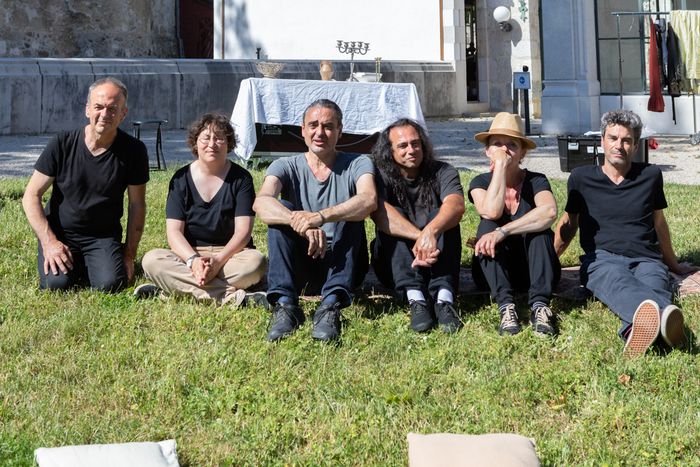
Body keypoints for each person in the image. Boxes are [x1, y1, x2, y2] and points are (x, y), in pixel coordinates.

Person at [554, 109, 697, 357]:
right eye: (613, 138)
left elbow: (659, 223)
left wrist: (672, 263)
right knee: (617, 280)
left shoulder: (650, 175)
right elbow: (568, 224)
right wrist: (548, 262)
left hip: (647, 259)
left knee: (655, 283)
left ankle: (634, 332)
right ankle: (669, 324)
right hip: (602, 259)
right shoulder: (581, 178)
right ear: (602, 141)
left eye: (626, 140)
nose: (619, 145)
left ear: (634, 145)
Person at [253, 99, 376, 342]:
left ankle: (330, 307)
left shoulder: (358, 162)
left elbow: (369, 199)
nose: (320, 132)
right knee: (282, 209)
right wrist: (300, 223)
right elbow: (261, 203)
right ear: (303, 130)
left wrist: (320, 217)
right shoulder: (285, 165)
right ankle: (286, 307)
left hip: (345, 263)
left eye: (328, 126)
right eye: (313, 125)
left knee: (350, 211)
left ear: (339, 132)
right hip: (301, 265)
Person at [22, 77, 148, 292]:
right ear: (87, 109)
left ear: (123, 114)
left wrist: (129, 254)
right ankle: (78, 265)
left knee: (111, 285)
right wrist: (49, 242)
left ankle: (93, 263)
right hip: (60, 233)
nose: (104, 114)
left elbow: (137, 204)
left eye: (112, 109)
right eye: (98, 107)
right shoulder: (62, 143)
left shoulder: (134, 150)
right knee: (57, 285)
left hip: (102, 236)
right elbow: (31, 196)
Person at [138, 113, 266, 305]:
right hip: (189, 256)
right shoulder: (180, 179)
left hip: (231, 255)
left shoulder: (242, 179)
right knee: (151, 260)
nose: (212, 144)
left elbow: (243, 232)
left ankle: (171, 290)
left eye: (219, 138)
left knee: (256, 263)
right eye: (206, 138)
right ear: (195, 142)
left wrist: (218, 262)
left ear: (228, 143)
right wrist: (193, 261)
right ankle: (231, 297)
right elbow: (174, 233)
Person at [468, 112, 560, 336]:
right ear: (487, 151)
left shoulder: (536, 180)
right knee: (486, 228)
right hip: (496, 271)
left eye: (511, 145)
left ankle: (540, 307)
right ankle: (506, 307)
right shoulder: (479, 182)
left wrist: (504, 230)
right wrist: (499, 167)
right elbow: (491, 210)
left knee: (541, 232)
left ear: (522, 153)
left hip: (534, 269)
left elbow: (549, 212)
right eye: (497, 145)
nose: (504, 150)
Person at [370, 118, 465, 333]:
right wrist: (421, 237)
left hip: (436, 260)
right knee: (396, 217)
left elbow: (457, 205)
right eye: (402, 146)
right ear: (390, 151)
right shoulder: (379, 176)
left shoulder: (444, 171)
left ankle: (444, 299)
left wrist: (432, 231)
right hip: (394, 266)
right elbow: (380, 214)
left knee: (442, 217)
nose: (411, 150)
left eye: (415, 143)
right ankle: (416, 300)